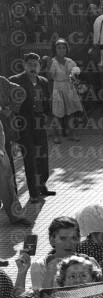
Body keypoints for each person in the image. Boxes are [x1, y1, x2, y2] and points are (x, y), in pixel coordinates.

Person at [9, 53, 54, 203]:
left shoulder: (43, 81)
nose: (33, 68)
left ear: (39, 66)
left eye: (35, 65)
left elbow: (47, 101)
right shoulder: (15, 81)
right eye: (30, 65)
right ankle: (34, 193)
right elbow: (8, 103)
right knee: (30, 158)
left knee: (42, 155)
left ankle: (42, 186)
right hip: (24, 124)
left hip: (39, 123)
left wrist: (48, 116)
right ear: (24, 65)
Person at [47, 39, 83, 144]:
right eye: (59, 48)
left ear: (66, 49)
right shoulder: (53, 62)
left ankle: (72, 134)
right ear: (55, 49)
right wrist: (48, 67)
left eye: (63, 47)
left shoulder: (70, 61)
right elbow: (50, 77)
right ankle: (56, 136)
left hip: (69, 88)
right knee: (57, 113)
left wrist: (75, 79)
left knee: (71, 112)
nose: (61, 50)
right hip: (58, 88)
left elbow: (74, 77)